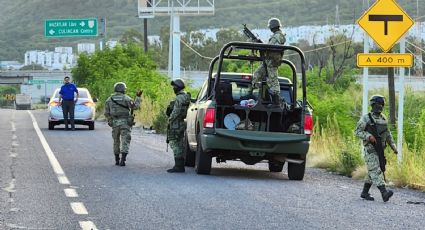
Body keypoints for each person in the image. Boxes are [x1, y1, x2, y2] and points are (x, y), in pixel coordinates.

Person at [355, 95, 398, 202]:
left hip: (380, 149)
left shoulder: (383, 118)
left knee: (373, 171)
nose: (381, 106)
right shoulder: (366, 118)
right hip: (370, 149)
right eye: (379, 104)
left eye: (382, 104)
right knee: (376, 170)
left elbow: (387, 134)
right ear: (373, 105)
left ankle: (365, 193)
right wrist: (368, 136)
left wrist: (393, 146)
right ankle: (384, 193)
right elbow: (357, 131)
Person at [104, 82, 142, 166]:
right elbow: (135, 107)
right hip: (125, 122)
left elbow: (106, 112)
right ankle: (123, 160)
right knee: (125, 140)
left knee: (116, 141)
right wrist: (138, 97)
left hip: (115, 123)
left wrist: (110, 120)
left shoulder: (109, 99)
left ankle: (117, 159)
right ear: (123, 89)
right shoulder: (126, 98)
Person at [251, 17, 286, 105]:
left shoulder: (278, 36)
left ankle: (276, 102)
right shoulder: (276, 36)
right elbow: (269, 47)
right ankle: (260, 95)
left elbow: (269, 47)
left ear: (273, 26)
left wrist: (261, 45)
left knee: (273, 82)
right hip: (268, 62)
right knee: (256, 76)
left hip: (272, 62)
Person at [166, 79, 191, 173]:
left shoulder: (179, 98)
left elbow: (176, 111)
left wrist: (170, 120)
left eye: (174, 87)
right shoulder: (186, 96)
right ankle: (180, 165)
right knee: (180, 143)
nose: (173, 89)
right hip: (182, 122)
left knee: (174, 143)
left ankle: (178, 166)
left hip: (176, 123)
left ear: (177, 87)